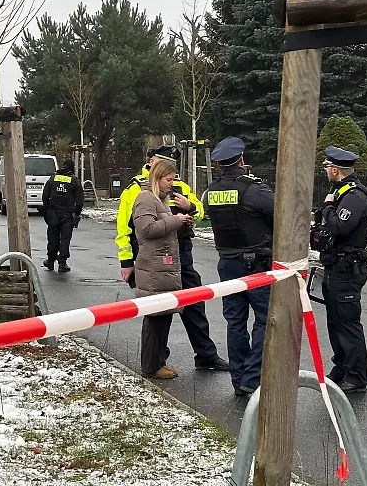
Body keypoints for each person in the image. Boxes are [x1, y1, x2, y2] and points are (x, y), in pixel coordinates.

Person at [116, 145, 229, 372]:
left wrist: (191, 208)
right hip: (154, 255)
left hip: (181, 252)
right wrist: (126, 261)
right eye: (162, 162)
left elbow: (198, 210)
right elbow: (125, 228)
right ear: (151, 162)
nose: (170, 173)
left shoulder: (179, 185)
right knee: (159, 311)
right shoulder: (137, 189)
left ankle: (206, 356)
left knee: (194, 303)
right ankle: (156, 361)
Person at [204, 137, 275, 397]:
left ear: (218, 164)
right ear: (242, 160)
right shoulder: (254, 190)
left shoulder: (210, 192)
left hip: (227, 264)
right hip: (256, 264)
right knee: (265, 319)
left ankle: (239, 378)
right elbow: (279, 214)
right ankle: (252, 377)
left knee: (235, 321)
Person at [313, 146, 367, 394]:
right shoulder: (340, 192)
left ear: (335, 169)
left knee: (348, 323)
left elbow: (340, 226)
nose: (326, 171)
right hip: (334, 266)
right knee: (335, 321)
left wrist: (328, 208)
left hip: (347, 268)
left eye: (327, 167)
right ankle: (341, 367)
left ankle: (356, 376)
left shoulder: (354, 196)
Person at [132, 159, 194, 379]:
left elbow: (164, 228)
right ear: (157, 178)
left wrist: (183, 221)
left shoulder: (161, 200)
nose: (171, 184)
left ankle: (157, 362)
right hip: (154, 268)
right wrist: (176, 220)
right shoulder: (145, 198)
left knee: (163, 316)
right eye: (168, 179)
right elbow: (147, 229)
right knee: (156, 317)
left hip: (162, 267)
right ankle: (152, 366)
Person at [42, 158, 84, 272]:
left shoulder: (53, 178)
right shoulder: (74, 180)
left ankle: (50, 261)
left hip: (53, 212)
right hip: (67, 214)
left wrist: (46, 210)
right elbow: (80, 200)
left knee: (53, 237)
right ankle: (62, 263)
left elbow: (45, 196)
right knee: (65, 238)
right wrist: (77, 214)